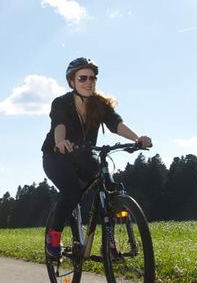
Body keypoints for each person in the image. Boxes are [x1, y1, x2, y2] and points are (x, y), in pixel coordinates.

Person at [41, 56, 152, 260]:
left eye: (92, 78)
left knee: (109, 188)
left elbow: (116, 124)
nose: (88, 82)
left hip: (84, 155)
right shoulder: (62, 103)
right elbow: (59, 124)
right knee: (72, 192)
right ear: (72, 82)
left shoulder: (100, 105)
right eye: (82, 78)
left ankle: (109, 243)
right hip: (56, 156)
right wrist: (60, 141)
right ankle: (54, 236)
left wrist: (137, 138)